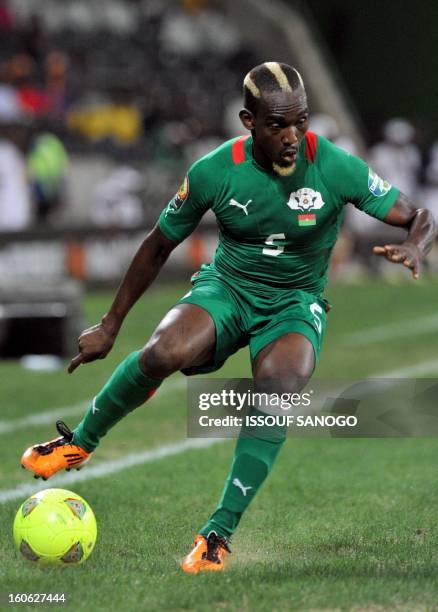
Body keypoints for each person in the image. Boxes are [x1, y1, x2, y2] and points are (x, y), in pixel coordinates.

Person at [21, 62, 436, 573]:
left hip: (293, 299)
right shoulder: (214, 171)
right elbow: (157, 246)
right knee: (161, 352)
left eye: (300, 122)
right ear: (248, 121)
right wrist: (110, 324)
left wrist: (415, 245)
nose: (292, 136)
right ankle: (80, 442)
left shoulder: (336, 166)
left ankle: (216, 533)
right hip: (228, 287)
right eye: (276, 124)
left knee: (280, 388)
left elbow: (419, 214)